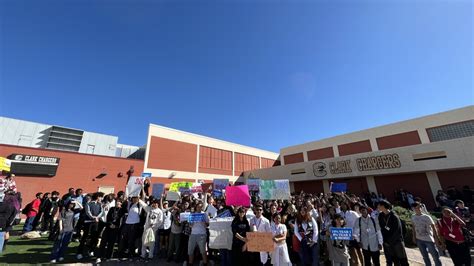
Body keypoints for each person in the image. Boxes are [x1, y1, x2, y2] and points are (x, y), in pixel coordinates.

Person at [377, 200, 409, 266]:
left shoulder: (394, 216)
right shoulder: (380, 216)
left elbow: (397, 231)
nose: (378, 207)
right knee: (395, 260)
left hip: (397, 242)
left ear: (383, 206)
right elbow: (382, 229)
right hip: (387, 243)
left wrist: (390, 241)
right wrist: (385, 241)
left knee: (403, 260)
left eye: (379, 205)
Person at [76, 192, 104, 260]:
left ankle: (91, 250)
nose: (101, 198)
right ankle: (79, 252)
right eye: (101, 197)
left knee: (94, 237)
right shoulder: (88, 204)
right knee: (85, 237)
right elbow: (88, 212)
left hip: (96, 223)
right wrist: (93, 217)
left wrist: (97, 217)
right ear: (97, 197)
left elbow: (102, 212)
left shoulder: (100, 204)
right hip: (88, 223)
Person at [340, 202, 362, 266]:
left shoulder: (353, 213)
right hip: (346, 235)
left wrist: (357, 232)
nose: (343, 205)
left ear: (347, 205)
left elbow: (359, 221)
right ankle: (356, 264)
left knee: (358, 251)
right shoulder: (340, 214)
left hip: (354, 234)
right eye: (342, 204)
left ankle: (363, 263)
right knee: (352, 251)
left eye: (344, 204)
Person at [188, 202, 210, 266]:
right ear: (196, 207)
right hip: (193, 234)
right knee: (190, 250)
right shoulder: (192, 214)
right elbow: (190, 225)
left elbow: (207, 225)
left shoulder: (204, 214)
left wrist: (204, 222)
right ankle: (190, 263)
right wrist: (191, 223)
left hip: (202, 234)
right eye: (198, 207)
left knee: (203, 251)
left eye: (201, 207)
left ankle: (205, 263)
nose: (199, 208)